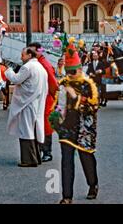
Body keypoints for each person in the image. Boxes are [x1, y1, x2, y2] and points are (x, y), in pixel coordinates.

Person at [49, 42, 99, 204]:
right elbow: (58, 105)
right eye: (68, 72)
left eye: (73, 71)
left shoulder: (88, 84)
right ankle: (67, 196)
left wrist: (77, 98)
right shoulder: (63, 83)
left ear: (79, 69)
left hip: (84, 128)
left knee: (86, 158)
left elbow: (93, 106)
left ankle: (93, 184)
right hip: (67, 128)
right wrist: (55, 117)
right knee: (66, 161)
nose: (70, 75)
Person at [5, 47, 48, 167]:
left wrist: (8, 70)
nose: (21, 57)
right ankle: (36, 157)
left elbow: (16, 79)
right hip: (36, 102)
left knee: (26, 131)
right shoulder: (41, 67)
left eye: (23, 55)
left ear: (29, 55)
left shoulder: (27, 67)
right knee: (33, 129)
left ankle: (29, 159)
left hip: (27, 103)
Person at [28, 42, 59, 162]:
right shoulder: (39, 63)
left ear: (39, 51)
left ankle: (47, 152)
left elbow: (53, 84)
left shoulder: (44, 64)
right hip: (41, 98)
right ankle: (41, 149)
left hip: (46, 99)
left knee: (45, 126)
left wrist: (54, 99)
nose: (30, 53)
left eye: (32, 51)